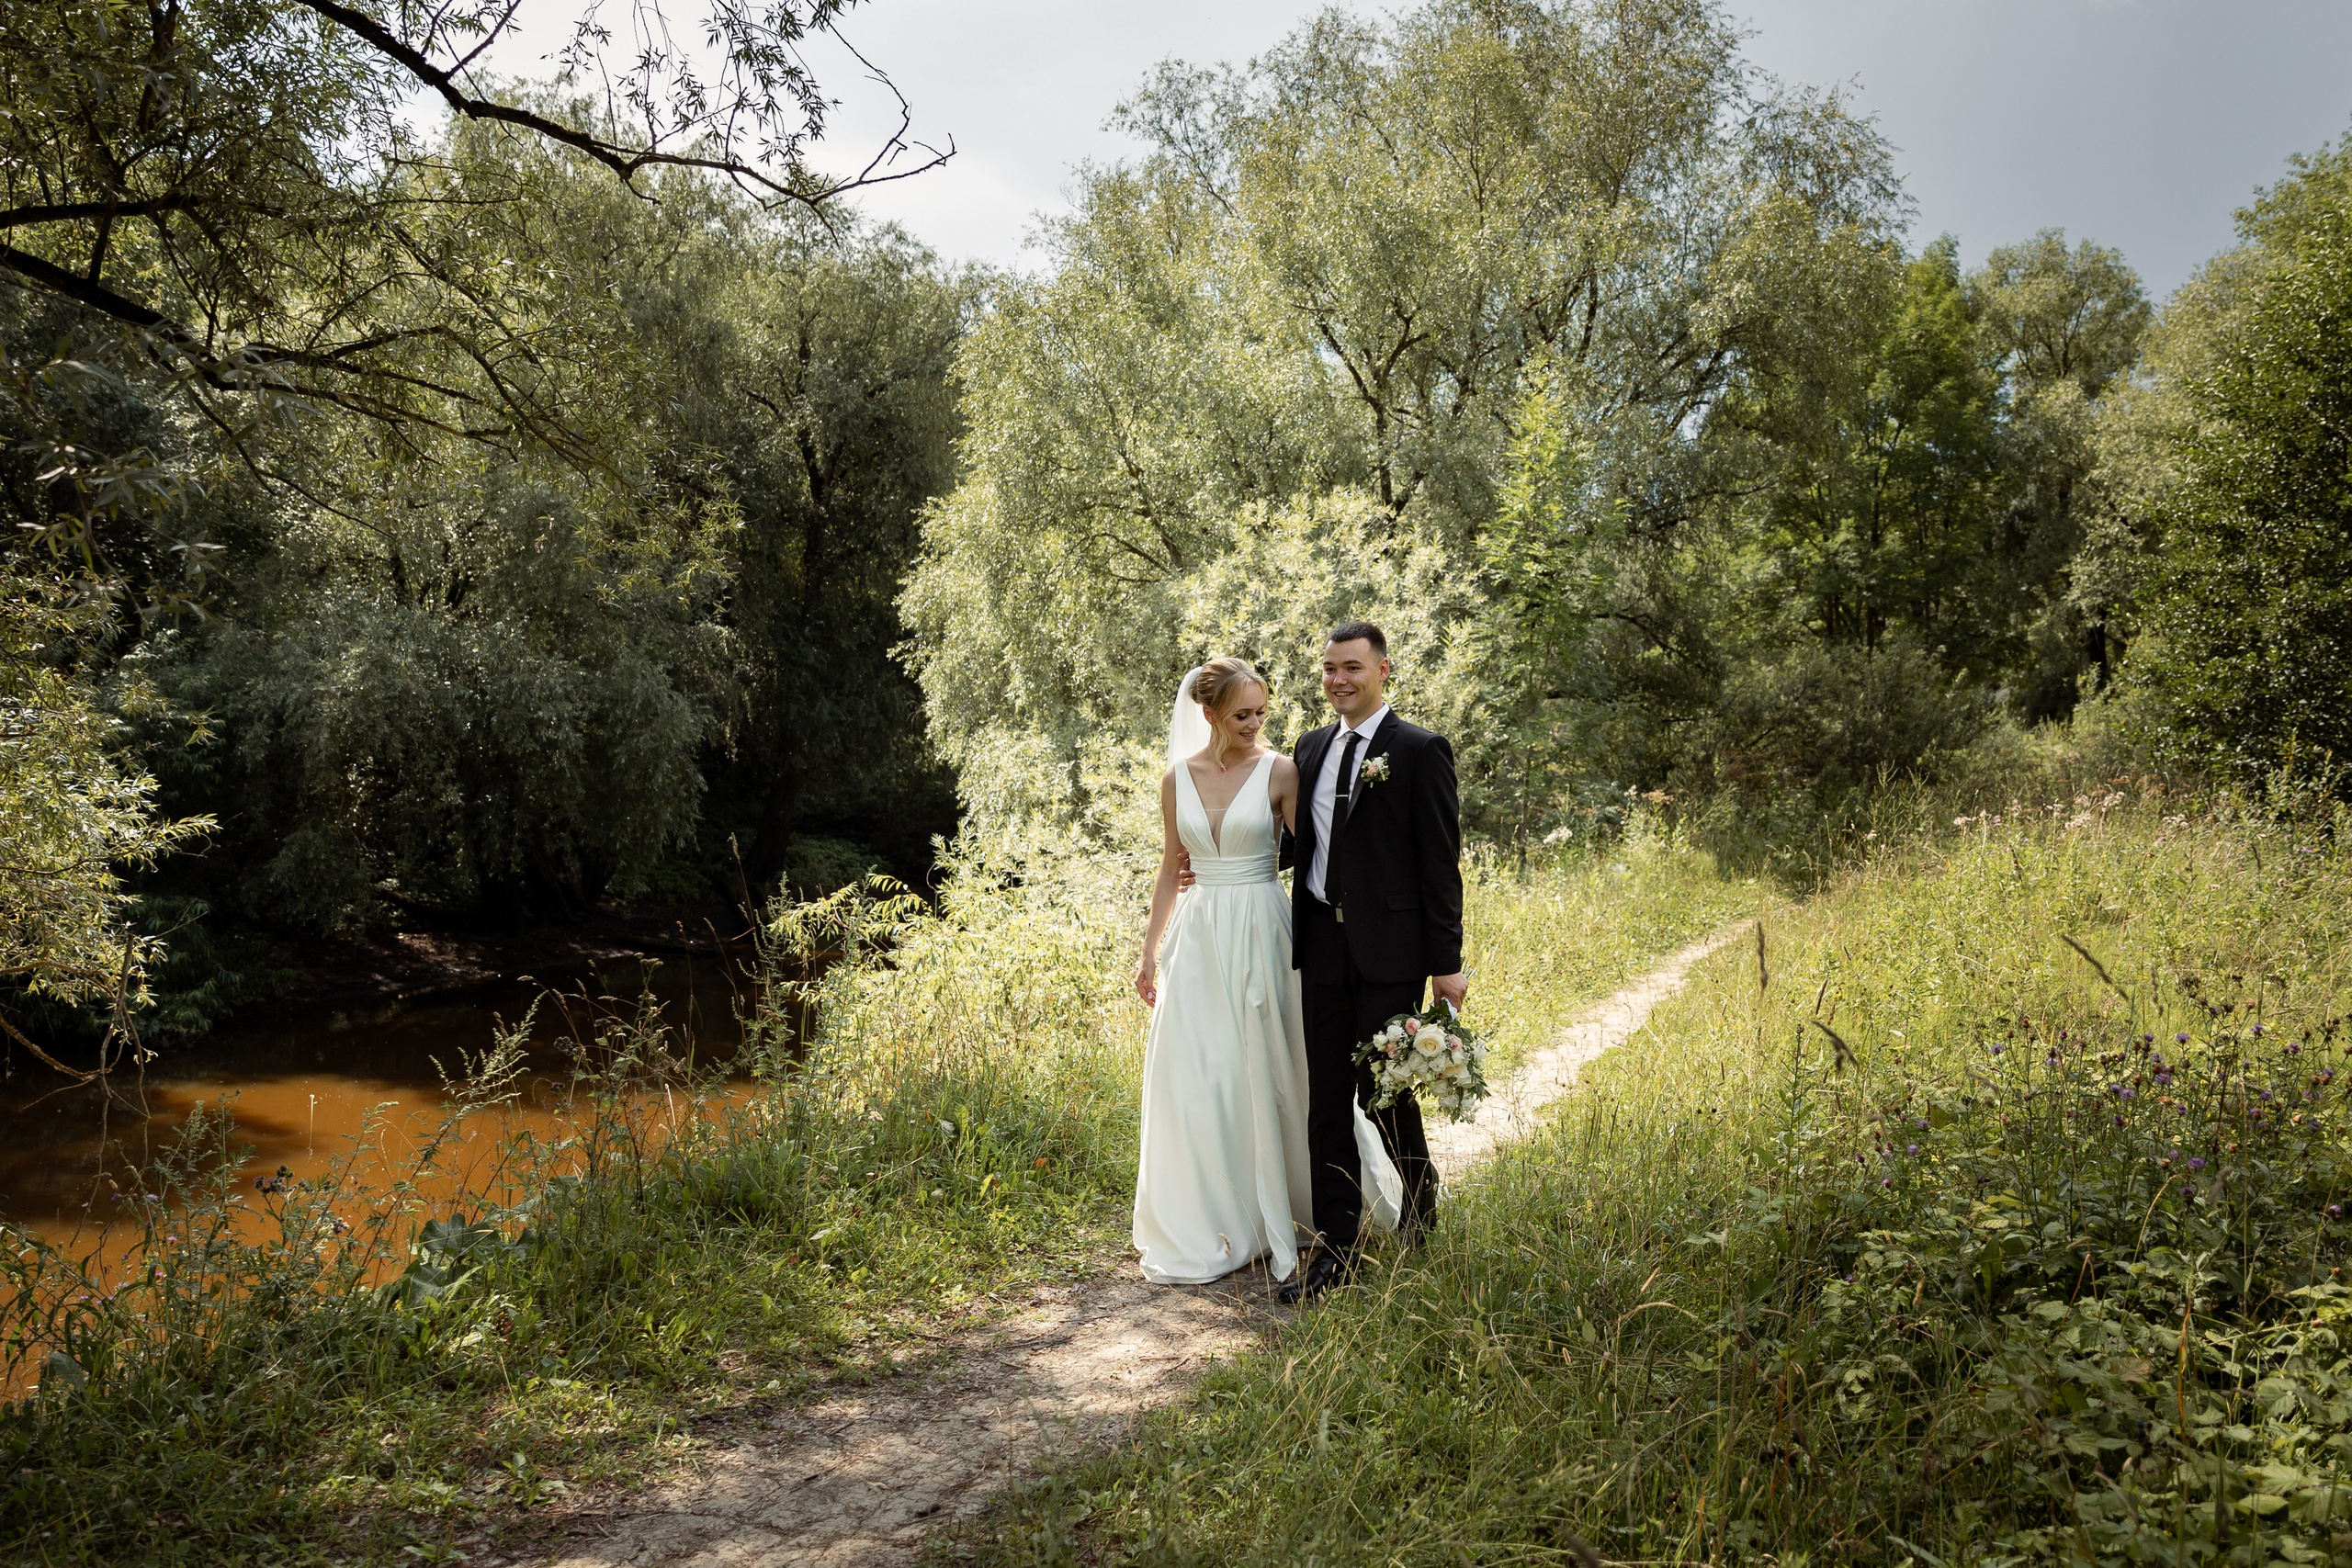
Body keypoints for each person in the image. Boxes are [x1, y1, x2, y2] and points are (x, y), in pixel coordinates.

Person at [1130, 657, 1400, 1286]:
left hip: (1262, 927)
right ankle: (1216, 1214)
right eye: (1241, 715)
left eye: (1261, 712)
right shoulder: (1177, 778)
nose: (1254, 724)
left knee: (1277, 1066)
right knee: (1202, 1075)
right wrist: (1149, 950)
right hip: (1199, 937)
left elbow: (1319, 853)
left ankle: (1306, 1202)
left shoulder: (1280, 771)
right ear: (1209, 714)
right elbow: (1171, 866)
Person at [1281, 621, 1465, 1304]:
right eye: (1330, 668)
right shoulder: (1309, 747)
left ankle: (1419, 1206)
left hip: (1391, 952)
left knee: (1383, 1091)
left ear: (1383, 670)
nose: (1338, 680)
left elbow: (1439, 863)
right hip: (1320, 945)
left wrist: (1446, 964)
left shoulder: (1419, 749)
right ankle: (1336, 1249)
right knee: (1327, 1097)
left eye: (1352, 667)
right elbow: (1295, 841)